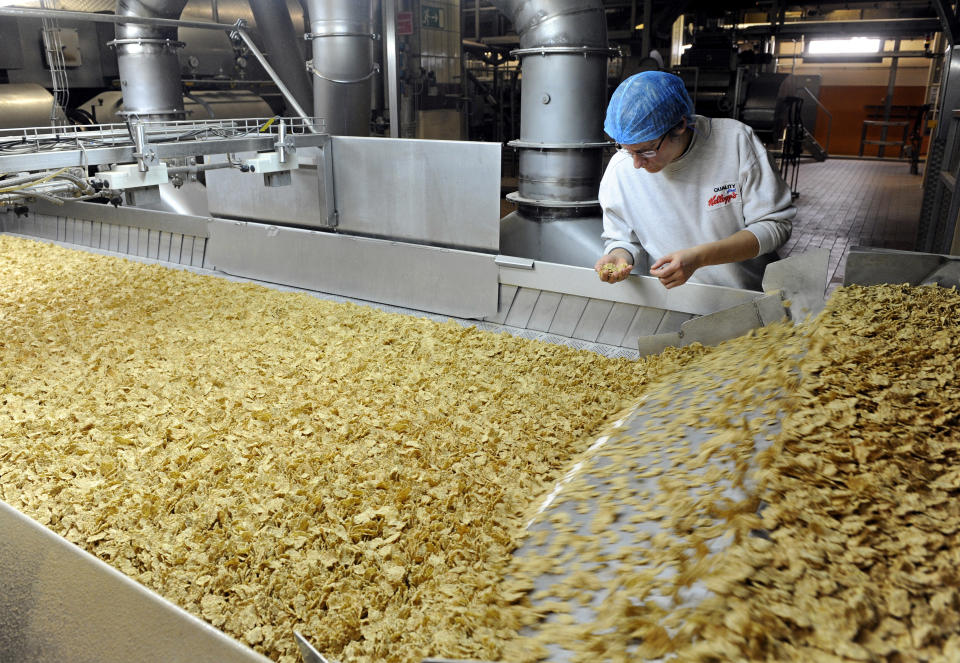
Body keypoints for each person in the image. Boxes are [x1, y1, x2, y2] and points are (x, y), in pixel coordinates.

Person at [594, 71, 796, 291]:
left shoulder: (735, 143)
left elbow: (775, 225)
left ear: (680, 125)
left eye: (646, 151)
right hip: (676, 300)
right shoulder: (620, 169)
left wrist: (700, 258)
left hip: (748, 295)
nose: (636, 164)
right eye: (625, 149)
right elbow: (623, 240)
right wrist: (618, 256)